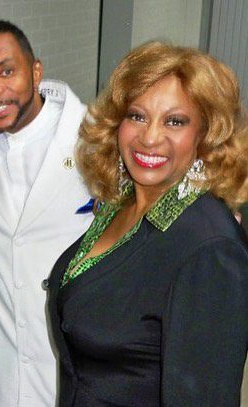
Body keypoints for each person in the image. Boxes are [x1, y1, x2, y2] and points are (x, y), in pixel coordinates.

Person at [46, 41, 248, 406]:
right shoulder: (122, 202)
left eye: (175, 121)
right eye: (137, 116)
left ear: (205, 134)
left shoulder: (210, 248)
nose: (150, 137)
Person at [0, 19, 93, 406]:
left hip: (77, 359)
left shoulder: (92, 138)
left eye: (6, 71)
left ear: (36, 71)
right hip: (8, 369)